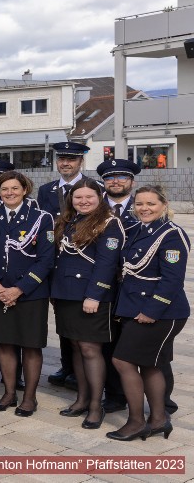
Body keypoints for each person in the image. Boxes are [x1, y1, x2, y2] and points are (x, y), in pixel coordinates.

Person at [107, 186, 189, 441]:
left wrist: (151, 311)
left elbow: (172, 280)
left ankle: (136, 421)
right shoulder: (137, 231)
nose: (144, 208)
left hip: (160, 312)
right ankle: (158, 420)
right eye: (140, 204)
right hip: (136, 308)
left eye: (151, 204)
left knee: (122, 361)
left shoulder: (172, 235)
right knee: (150, 365)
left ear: (163, 205)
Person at [0, 171, 54, 417]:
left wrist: (19, 289)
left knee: (30, 346)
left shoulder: (41, 219)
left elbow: (46, 259)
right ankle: (9, 393)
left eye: (14, 188)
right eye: (4, 189)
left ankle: (29, 398)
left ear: (25, 190)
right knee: (4, 343)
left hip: (30, 294)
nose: (9, 193)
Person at [51, 179, 123, 430]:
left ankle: (95, 406)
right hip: (66, 295)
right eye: (77, 197)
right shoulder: (69, 220)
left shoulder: (108, 224)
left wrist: (94, 295)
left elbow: (106, 263)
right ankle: (81, 399)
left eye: (88, 197)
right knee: (76, 347)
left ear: (100, 197)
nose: (83, 201)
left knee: (91, 349)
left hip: (90, 297)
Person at [37, 142, 94, 390]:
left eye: (71, 159)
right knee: (63, 319)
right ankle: (67, 366)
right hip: (55, 264)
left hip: (83, 264)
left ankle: (84, 371)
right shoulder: (46, 190)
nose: (66, 163)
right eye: (62, 159)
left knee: (82, 322)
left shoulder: (92, 188)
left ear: (80, 161)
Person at [97, 159, 141, 414]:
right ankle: (114, 395)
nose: (115, 181)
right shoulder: (95, 208)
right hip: (104, 287)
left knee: (143, 343)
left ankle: (162, 400)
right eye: (110, 177)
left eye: (122, 177)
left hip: (136, 287)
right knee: (109, 342)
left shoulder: (143, 206)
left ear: (131, 181)